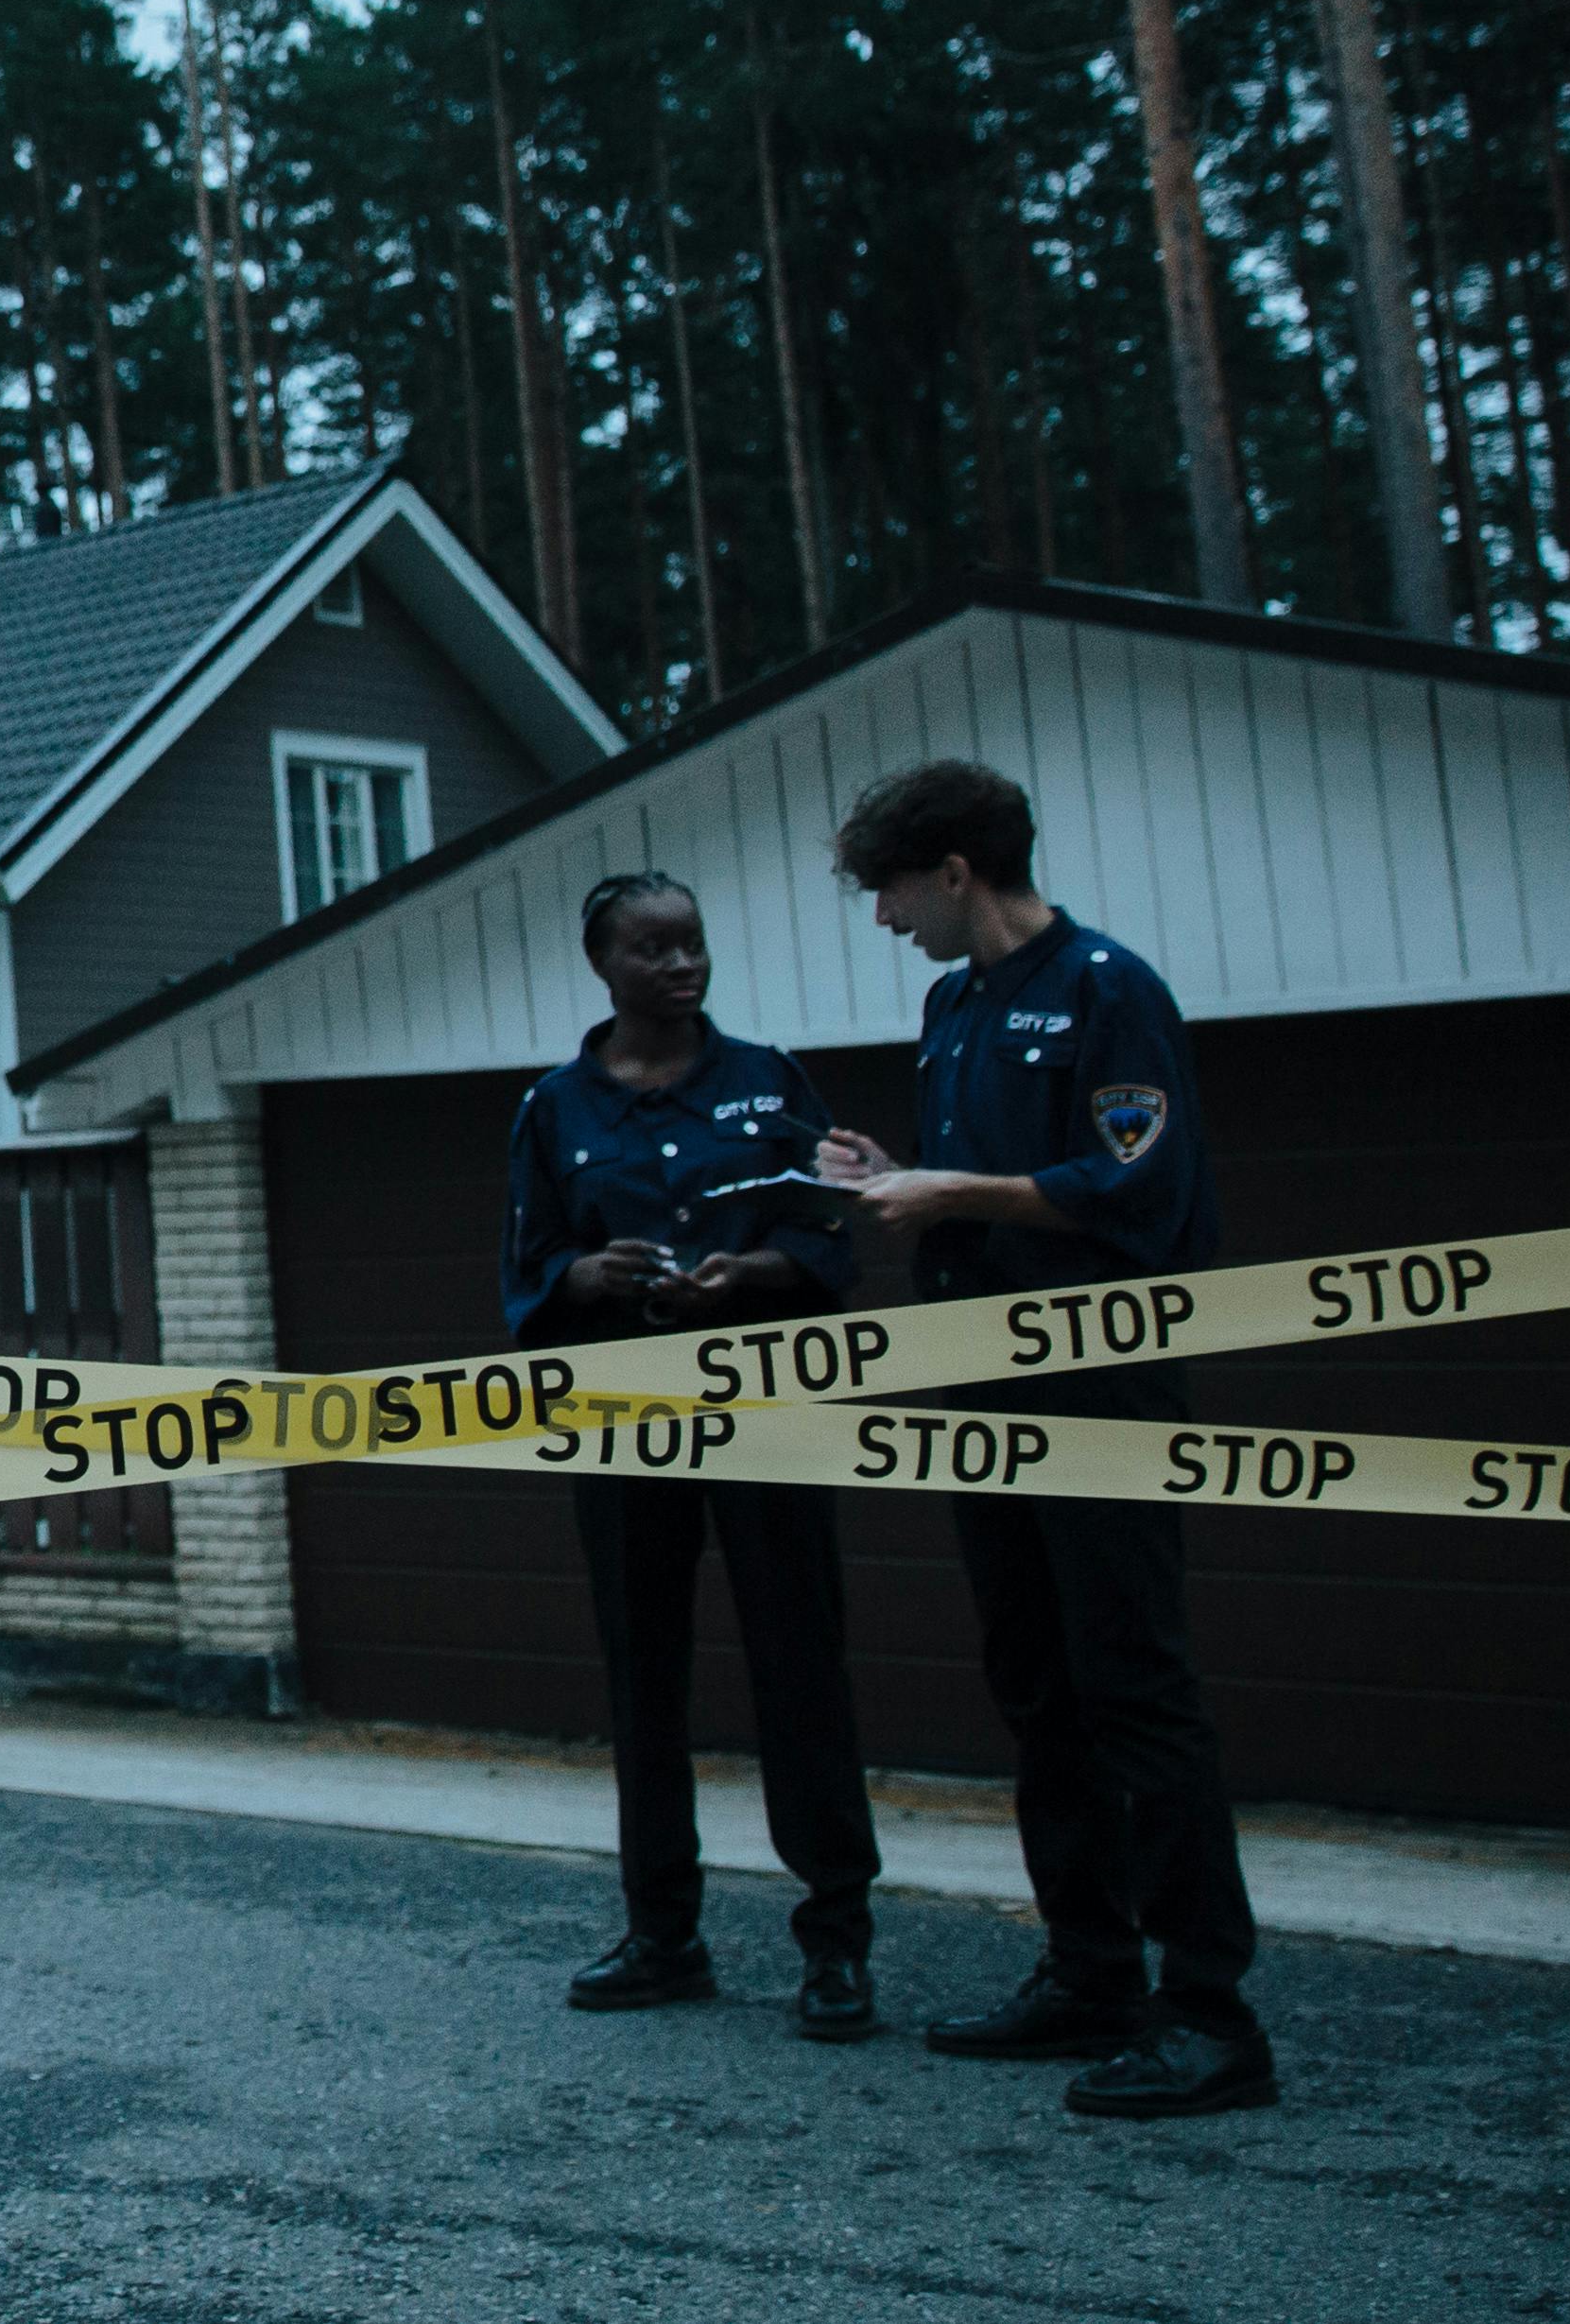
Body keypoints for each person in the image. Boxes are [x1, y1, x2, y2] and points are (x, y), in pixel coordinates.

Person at [817, 757, 1276, 2121]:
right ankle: (1088, 1971)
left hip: (1095, 1391)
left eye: (890, 888)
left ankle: (1208, 2015)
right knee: (1034, 1683)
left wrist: (956, 1185)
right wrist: (885, 1178)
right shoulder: (950, 1004)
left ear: (953, 869)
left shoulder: (1106, 989)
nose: (883, 916)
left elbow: (1141, 1189)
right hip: (978, 1388)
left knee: (1133, 1685)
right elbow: (991, 1191)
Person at [503, 872, 882, 2041]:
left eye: (694, 944)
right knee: (645, 1670)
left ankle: (835, 1944)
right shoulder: (554, 1109)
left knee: (798, 1659)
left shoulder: (768, 1082)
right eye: (655, 948)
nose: (683, 965)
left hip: (763, 1413)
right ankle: (663, 1936)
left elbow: (833, 1232)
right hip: (625, 1419)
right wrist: (583, 1277)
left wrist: (760, 1274)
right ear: (604, 966)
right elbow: (529, 1271)